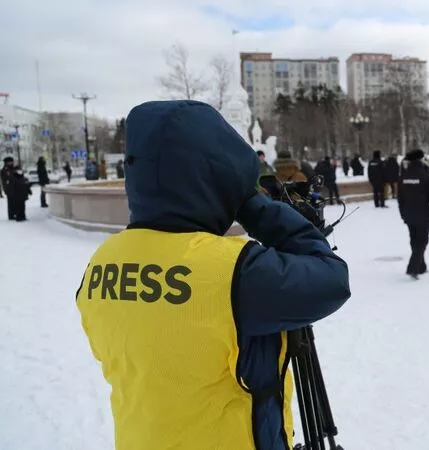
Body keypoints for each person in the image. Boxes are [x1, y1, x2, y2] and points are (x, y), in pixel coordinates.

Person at [75, 100, 351, 450]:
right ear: (212, 177)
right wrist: (257, 209)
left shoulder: (102, 263)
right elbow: (332, 280)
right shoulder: (232, 270)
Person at [398, 149, 429, 279]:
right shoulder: (425, 175)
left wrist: (403, 213)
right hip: (423, 214)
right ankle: (413, 268)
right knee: (422, 241)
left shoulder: (404, 176)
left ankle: (421, 266)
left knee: (414, 240)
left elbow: (400, 198)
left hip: (409, 215)